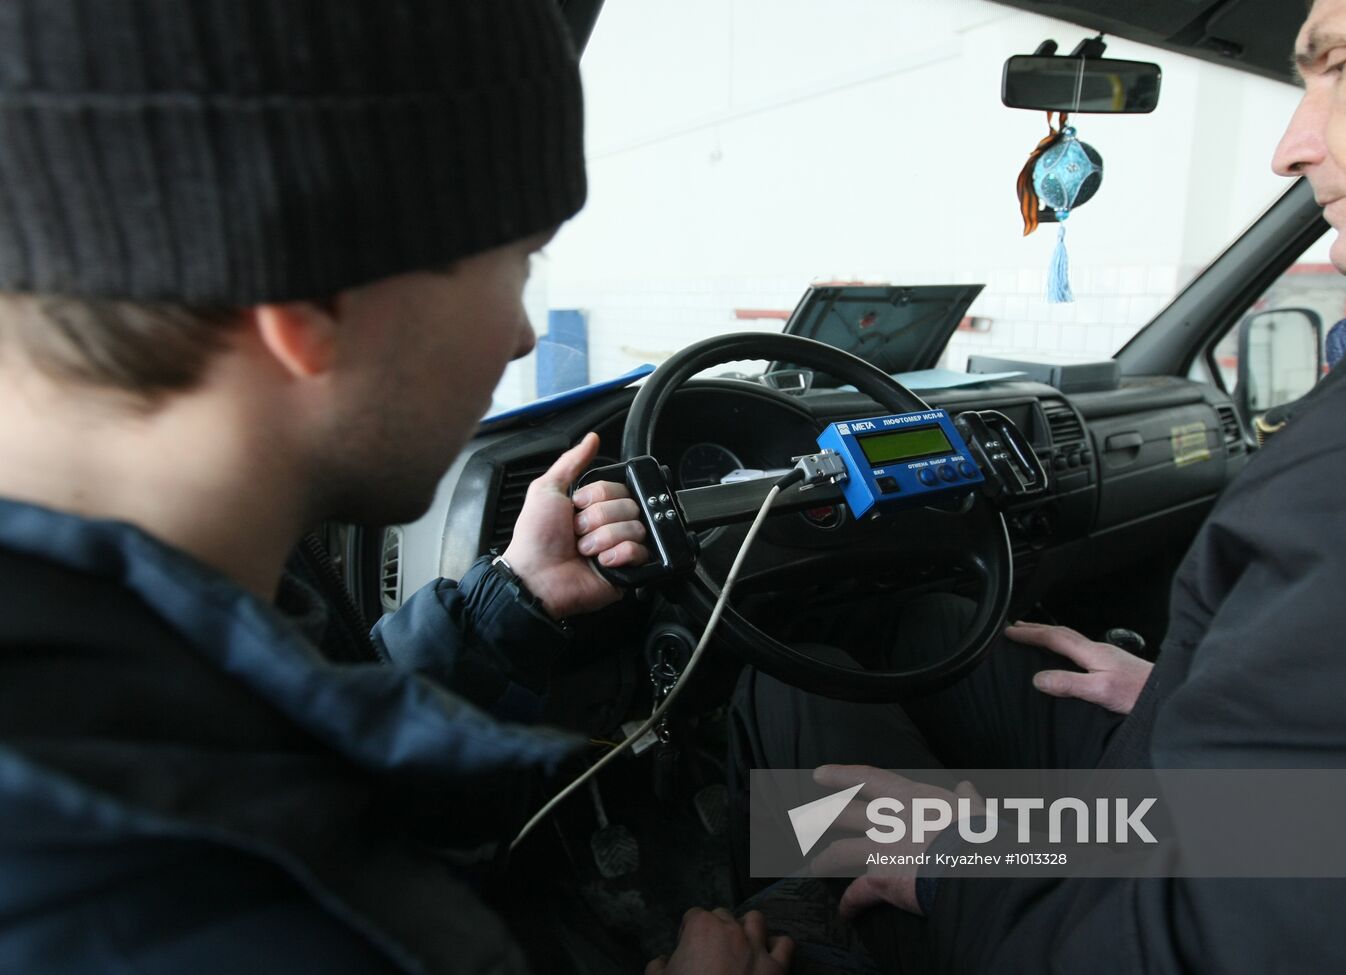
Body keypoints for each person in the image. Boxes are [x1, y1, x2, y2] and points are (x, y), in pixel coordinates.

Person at [0, 2, 790, 973]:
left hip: (1020, 859)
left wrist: (514, 605)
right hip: (1014, 872)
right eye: (518, 262)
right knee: (825, 797)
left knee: (845, 800)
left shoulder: (129, 657)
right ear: (314, 302)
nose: (520, 337)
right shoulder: (277, 924)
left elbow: (308, 731)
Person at [727, 0, 1346, 970]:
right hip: (1274, 827)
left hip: (1175, 887)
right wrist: (1191, 700)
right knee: (929, 637)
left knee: (788, 707)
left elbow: (1206, 937)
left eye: (1335, 63)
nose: (1289, 146)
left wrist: (956, 857)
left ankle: (785, 906)